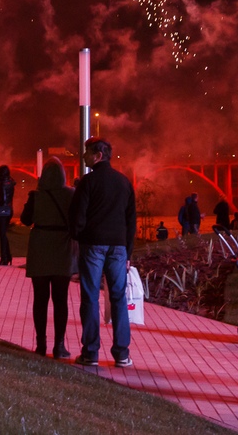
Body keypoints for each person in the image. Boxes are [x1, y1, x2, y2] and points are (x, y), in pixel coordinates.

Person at [68, 137, 136, 368]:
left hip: (93, 245)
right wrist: (128, 253)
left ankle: (91, 352)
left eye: (87, 152)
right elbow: (130, 221)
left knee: (90, 297)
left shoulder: (88, 182)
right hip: (118, 247)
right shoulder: (124, 182)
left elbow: (78, 216)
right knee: (118, 297)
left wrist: (77, 236)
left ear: (97, 155)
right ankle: (122, 353)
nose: (84, 155)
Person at [21, 156, 75, 359]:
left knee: (40, 299)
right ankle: (59, 345)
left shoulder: (36, 195)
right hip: (63, 249)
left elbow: (26, 220)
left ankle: (41, 344)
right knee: (61, 300)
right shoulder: (70, 194)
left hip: (40, 249)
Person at [0, 165, 16, 265]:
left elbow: (2, 198)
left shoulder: (2, 183)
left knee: (2, 235)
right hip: (10, 209)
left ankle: (4, 258)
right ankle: (8, 256)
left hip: (2, 210)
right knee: (4, 234)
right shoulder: (11, 182)